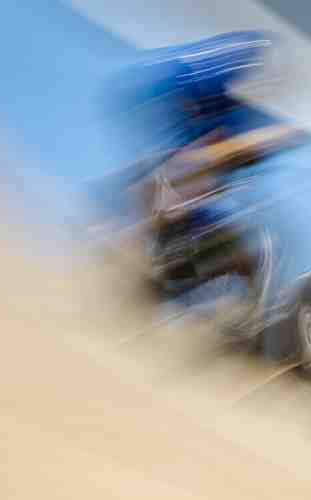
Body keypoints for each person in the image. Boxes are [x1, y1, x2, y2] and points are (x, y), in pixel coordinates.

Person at [116, 32, 300, 315]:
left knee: (241, 249)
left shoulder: (223, 117)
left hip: (193, 123)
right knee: (188, 181)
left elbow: (214, 160)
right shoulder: (208, 125)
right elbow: (209, 157)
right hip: (190, 122)